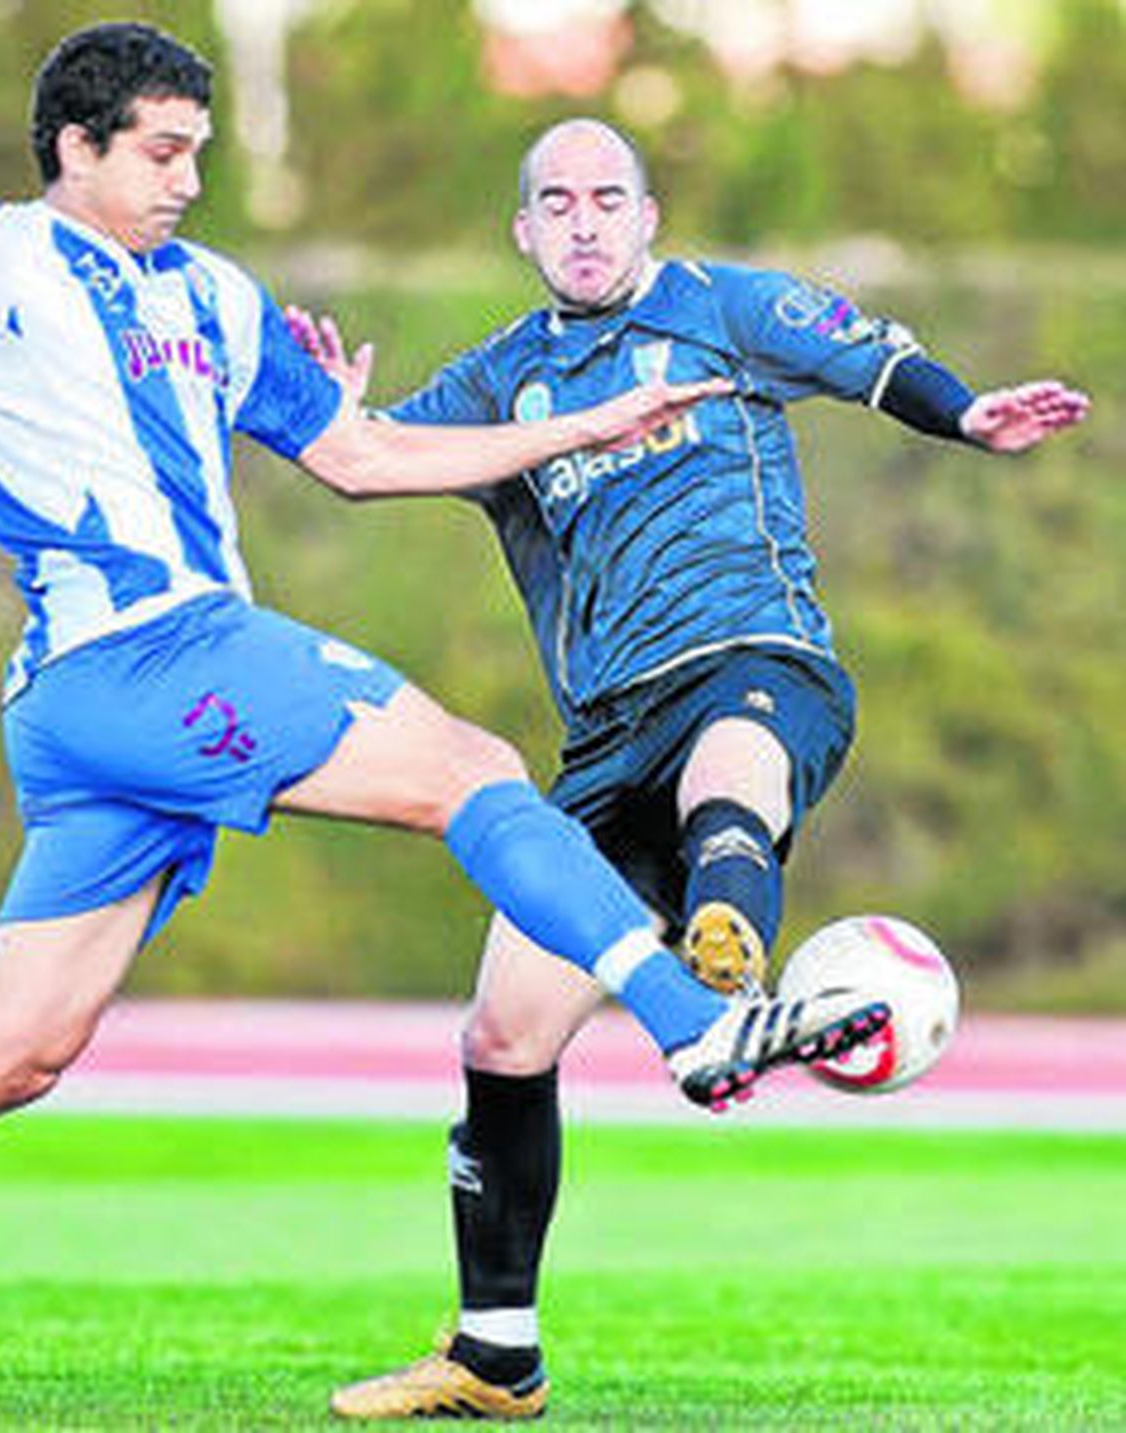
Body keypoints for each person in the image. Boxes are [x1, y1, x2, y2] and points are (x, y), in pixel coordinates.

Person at [0, 37, 888, 1430]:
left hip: (96, 714)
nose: (189, 178)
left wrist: (592, 423)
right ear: (76, 147)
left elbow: (363, 455)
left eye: (198, 150)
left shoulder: (213, 295)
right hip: (148, 651)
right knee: (474, 770)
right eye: (161, 152)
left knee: (14, 1051)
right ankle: (696, 1024)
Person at [288, 119, 1091, 1419]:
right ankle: (496, 1355)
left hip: (757, 657)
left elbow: (870, 358)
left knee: (735, 765)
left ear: (648, 215)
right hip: (608, 740)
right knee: (504, 1033)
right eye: (558, 202)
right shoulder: (500, 377)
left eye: (608, 197)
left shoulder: (726, 307)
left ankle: (728, 958)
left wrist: (967, 412)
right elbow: (365, 460)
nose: (585, 221)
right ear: (524, 230)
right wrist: (329, 408)